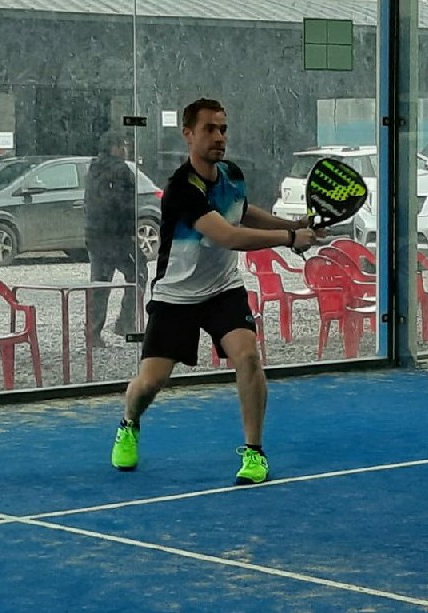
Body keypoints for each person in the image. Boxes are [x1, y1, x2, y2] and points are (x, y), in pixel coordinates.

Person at [110, 98, 319, 484]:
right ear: (188, 134)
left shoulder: (232, 174)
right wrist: (290, 239)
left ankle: (254, 452)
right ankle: (129, 424)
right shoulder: (180, 189)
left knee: (248, 357)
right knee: (150, 382)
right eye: (209, 129)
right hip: (175, 296)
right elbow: (228, 235)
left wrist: (293, 224)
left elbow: (242, 211)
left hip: (224, 289)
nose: (219, 137)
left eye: (223, 129)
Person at [84, 131, 147, 347]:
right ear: (114, 148)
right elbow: (123, 204)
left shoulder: (94, 168)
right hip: (117, 236)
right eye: (123, 145)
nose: (126, 149)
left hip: (96, 234)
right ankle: (126, 322)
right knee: (138, 273)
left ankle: (93, 331)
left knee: (100, 283)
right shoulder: (121, 171)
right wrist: (131, 228)